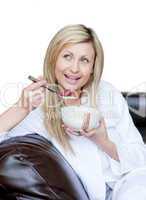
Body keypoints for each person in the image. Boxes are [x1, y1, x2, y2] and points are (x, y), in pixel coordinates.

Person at [0, 24, 146, 200]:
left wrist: (103, 142)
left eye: (84, 60)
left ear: (93, 67)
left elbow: (140, 157)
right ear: (53, 59)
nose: (74, 68)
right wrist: (20, 108)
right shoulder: (40, 106)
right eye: (67, 57)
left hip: (133, 183)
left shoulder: (107, 92)